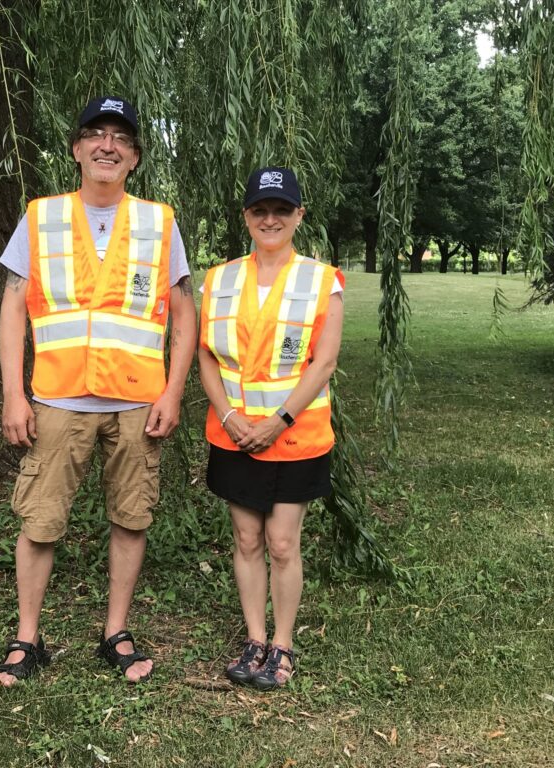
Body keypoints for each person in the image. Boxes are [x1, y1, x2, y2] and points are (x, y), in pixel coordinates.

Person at [0, 97, 196, 686]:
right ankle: (27, 638)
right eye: (96, 135)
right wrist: (13, 394)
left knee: (131, 518)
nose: (108, 146)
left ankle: (116, 632)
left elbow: (184, 314)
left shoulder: (160, 223)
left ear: (134, 158)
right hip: (57, 400)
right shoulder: (41, 217)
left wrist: (173, 392)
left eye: (121, 139)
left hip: (136, 402)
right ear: (78, 149)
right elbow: (12, 312)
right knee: (39, 520)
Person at [197, 167, 344, 690]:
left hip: (296, 437)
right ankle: (253, 639)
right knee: (245, 536)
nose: (270, 218)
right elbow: (207, 356)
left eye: (282, 209)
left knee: (282, 542)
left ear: (299, 215)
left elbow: (322, 365)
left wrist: (276, 421)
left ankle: (282, 644)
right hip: (234, 434)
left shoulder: (321, 280)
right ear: (246, 217)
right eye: (260, 209)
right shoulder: (219, 279)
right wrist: (234, 419)